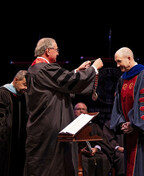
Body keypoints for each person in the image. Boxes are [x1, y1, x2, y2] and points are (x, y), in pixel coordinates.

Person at [24, 37, 103, 176]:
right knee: (53, 166)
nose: (58, 53)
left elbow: (58, 84)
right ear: (48, 51)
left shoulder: (35, 68)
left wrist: (76, 70)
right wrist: (93, 69)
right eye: (56, 50)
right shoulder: (45, 68)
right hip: (50, 124)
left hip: (41, 124)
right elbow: (69, 82)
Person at [110, 47, 144, 176]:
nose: (117, 65)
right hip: (130, 132)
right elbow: (118, 106)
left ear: (129, 58)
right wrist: (122, 122)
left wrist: (133, 124)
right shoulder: (122, 79)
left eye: (119, 61)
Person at [74, 102, 122, 176]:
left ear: (87, 112)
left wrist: (96, 149)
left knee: (104, 158)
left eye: (83, 109)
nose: (81, 111)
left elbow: (102, 142)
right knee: (83, 161)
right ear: (74, 112)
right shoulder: (70, 126)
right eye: (78, 109)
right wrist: (80, 150)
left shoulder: (94, 126)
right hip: (77, 153)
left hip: (94, 152)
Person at [0, 70, 28, 176]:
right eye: (24, 84)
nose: (26, 88)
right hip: (5, 142)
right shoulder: (3, 93)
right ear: (16, 80)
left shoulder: (23, 96)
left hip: (20, 142)